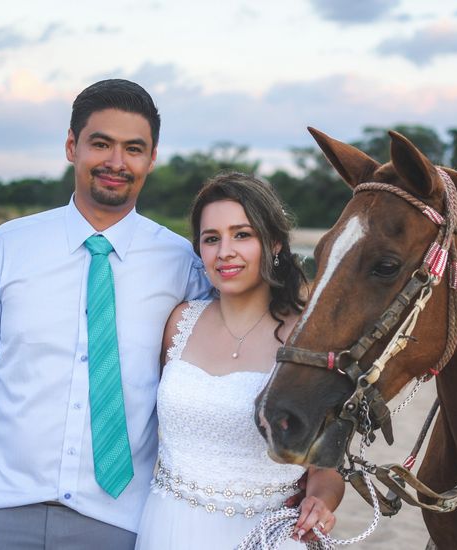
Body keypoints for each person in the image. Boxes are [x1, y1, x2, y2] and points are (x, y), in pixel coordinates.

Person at [0, 79, 211, 549]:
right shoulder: (8, 246)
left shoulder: (182, 263)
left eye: (133, 148)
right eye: (101, 143)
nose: (116, 163)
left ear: (152, 158)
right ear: (71, 146)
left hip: (120, 520)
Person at [134, 172, 344, 549]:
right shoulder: (179, 322)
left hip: (265, 535)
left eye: (242, 235)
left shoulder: (306, 339)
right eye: (211, 239)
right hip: (168, 528)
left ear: (275, 243)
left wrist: (320, 501)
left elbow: (325, 468)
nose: (224, 251)